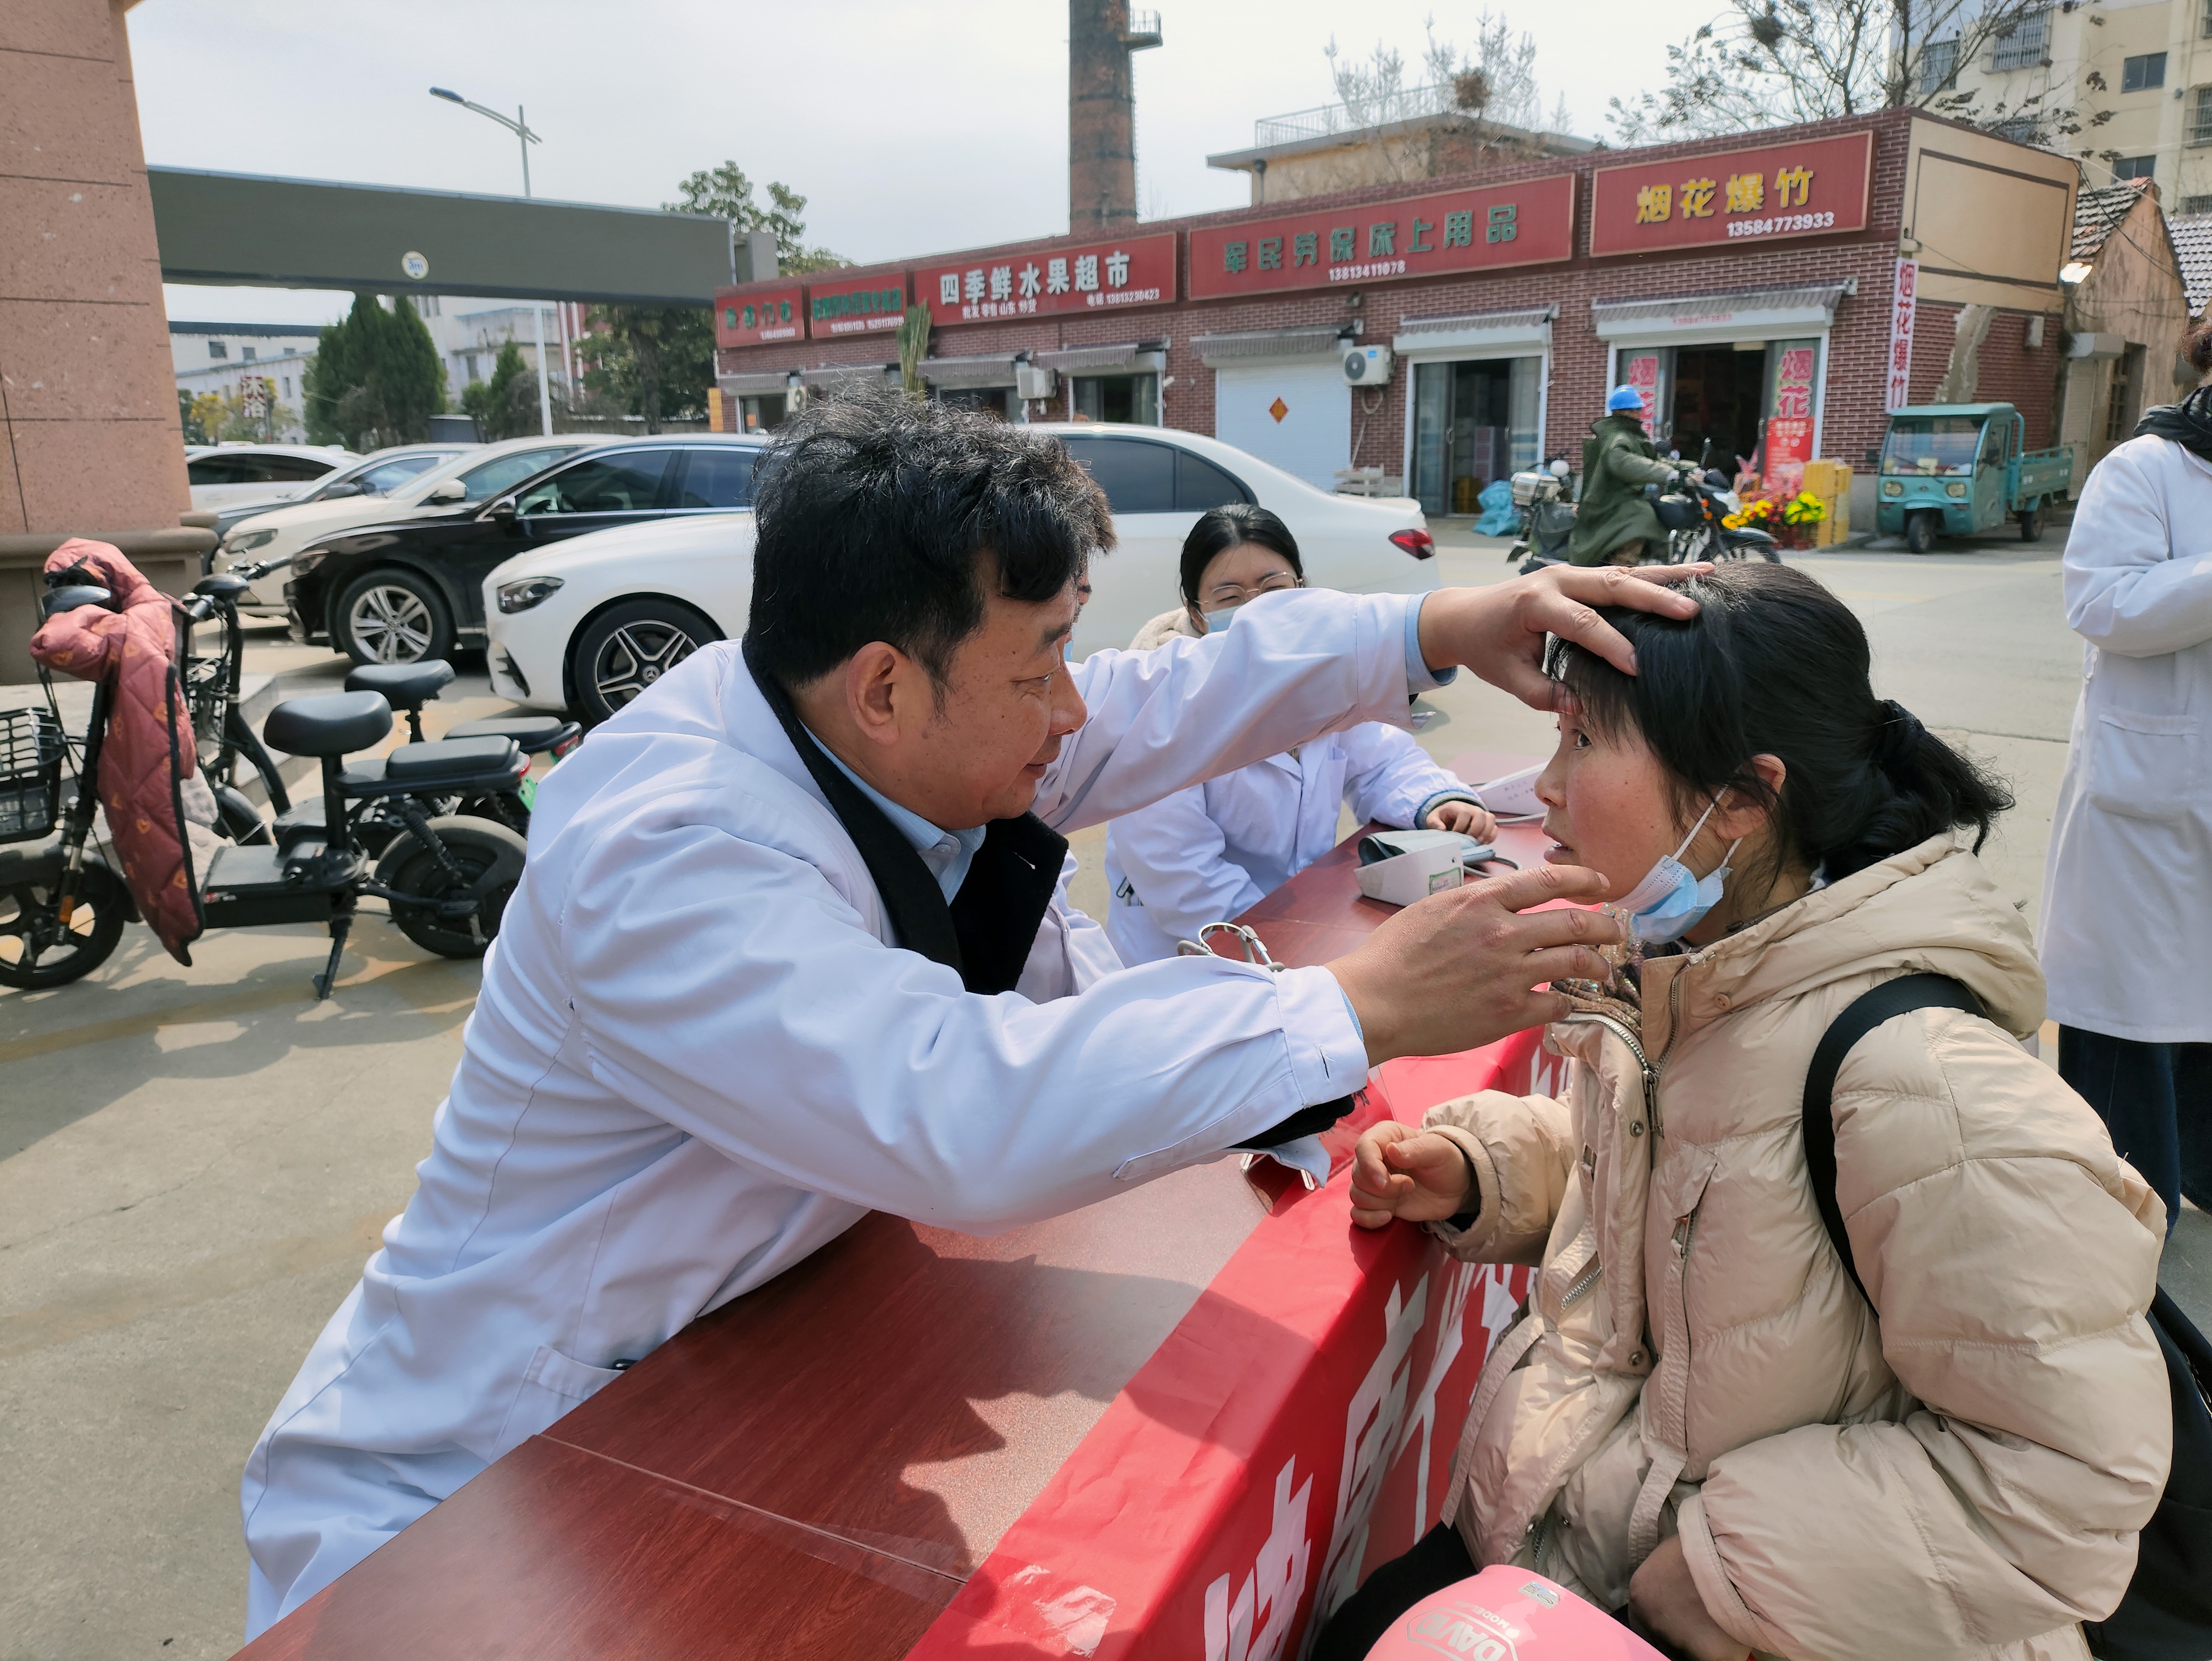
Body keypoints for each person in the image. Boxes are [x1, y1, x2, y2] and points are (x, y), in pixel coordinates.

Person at [238, 389, 1703, 1636]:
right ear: (886, 686)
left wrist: (1439, 622)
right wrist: (1355, 1005)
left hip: (723, 1379)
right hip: (478, 1477)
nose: (1070, 706)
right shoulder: (669, 850)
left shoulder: (880, 727)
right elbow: (955, 1110)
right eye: (1039, 663)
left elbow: (1169, 695)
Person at [1321, 563, 2169, 1661]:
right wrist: (1489, 1170)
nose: (1544, 787)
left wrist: (1724, 1570)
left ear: (1737, 799)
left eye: (1582, 741)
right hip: (1569, 1544)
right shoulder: (1689, 970)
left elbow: (2073, 1479)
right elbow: (1696, 1189)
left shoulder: (1925, 1084)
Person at [1105, 504, 1497, 963]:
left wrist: (1435, 801)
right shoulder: (1161, 709)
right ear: (1196, 611)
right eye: (1230, 597)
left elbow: (1381, 761)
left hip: (1298, 926)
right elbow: (1181, 873)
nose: (1257, 610)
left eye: (1274, 589)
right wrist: (1283, 945)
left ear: (1301, 588)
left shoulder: (1320, 676)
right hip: (1196, 953)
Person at [2039, 321, 2212, 1234]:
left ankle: (2199, 1174)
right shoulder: (2143, 468)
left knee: (2201, 1008)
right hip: (2148, 794)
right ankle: (2112, 1222)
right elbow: (2101, 601)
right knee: (2127, 1016)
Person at [1568, 386, 1678, 567]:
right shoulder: (1617, 437)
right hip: (1609, 501)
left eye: (1639, 410)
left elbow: (1655, 460)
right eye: (1635, 410)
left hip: (1622, 497)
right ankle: (1621, 568)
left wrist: (1688, 469)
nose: (1639, 414)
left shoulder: (1630, 435)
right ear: (1622, 412)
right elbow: (1625, 463)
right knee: (1642, 517)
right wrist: (1667, 474)